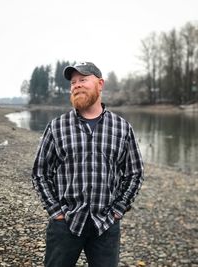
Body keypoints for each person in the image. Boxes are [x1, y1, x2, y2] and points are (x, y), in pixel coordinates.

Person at [32, 61, 144, 267]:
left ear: (100, 84)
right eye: (73, 82)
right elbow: (40, 172)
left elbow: (135, 173)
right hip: (65, 224)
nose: (76, 85)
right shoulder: (57, 127)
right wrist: (55, 211)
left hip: (106, 225)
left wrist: (118, 209)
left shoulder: (122, 128)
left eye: (83, 80)